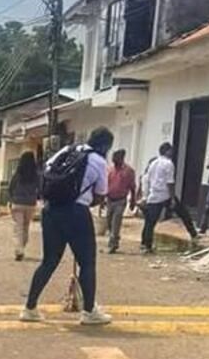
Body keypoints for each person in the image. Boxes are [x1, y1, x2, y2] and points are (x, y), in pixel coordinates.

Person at [19, 128, 114, 325]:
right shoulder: (98, 160)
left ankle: (29, 308)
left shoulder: (66, 151)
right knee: (87, 263)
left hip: (51, 210)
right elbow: (100, 194)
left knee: (49, 261)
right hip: (76, 212)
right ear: (105, 146)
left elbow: (46, 174)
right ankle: (89, 312)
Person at [139, 142, 200, 252]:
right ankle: (193, 234)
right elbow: (170, 183)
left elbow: (147, 180)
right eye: (171, 150)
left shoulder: (153, 163)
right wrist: (172, 198)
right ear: (166, 151)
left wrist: (146, 196)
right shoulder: (168, 164)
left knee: (150, 221)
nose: (172, 152)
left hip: (154, 195)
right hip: (165, 194)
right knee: (183, 213)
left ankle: (145, 245)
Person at [7, 151, 40, 260]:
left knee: (18, 227)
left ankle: (19, 248)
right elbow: (40, 188)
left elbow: (11, 188)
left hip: (17, 203)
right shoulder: (36, 175)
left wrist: (11, 199)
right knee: (26, 227)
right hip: (30, 204)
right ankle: (22, 247)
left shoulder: (17, 174)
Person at [104, 149, 137, 254]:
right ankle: (114, 239)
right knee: (109, 222)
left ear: (121, 158)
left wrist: (133, 200)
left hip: (120, 200)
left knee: (116, 222)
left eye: (115, 158)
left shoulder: (129, 171)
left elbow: (132, 187)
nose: (113, 160)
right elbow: (105, 185)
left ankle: (113, 244)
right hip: (109, 199)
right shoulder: (110, 170)